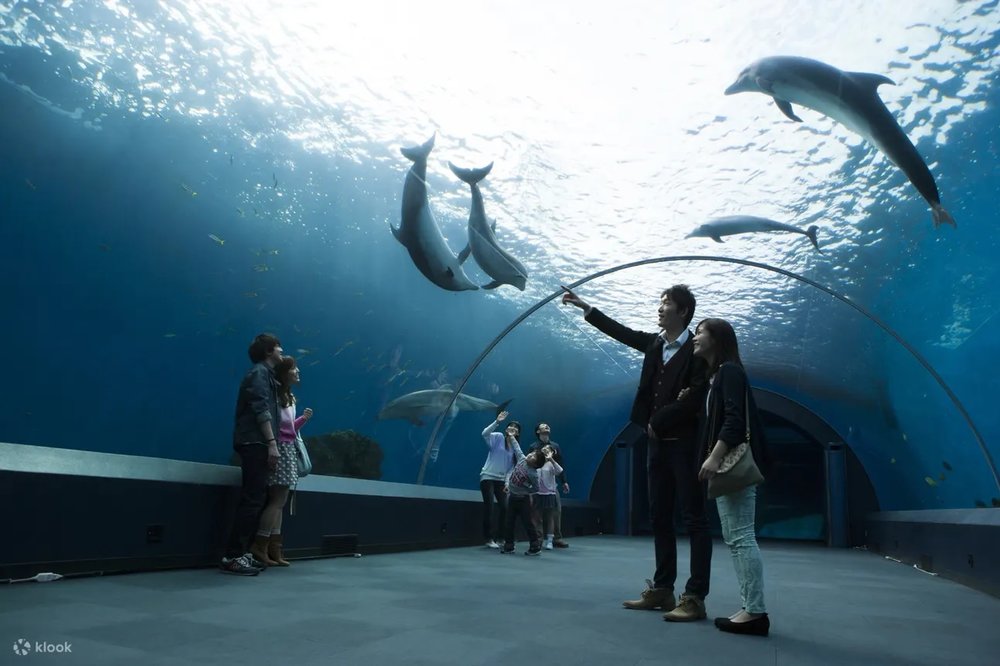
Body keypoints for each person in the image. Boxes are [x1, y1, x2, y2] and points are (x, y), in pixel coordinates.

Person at [562, 285, 711, 622]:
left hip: (685, 444)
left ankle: (695, 597)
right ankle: (663, 588)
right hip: (657, 447)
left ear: (683, 311)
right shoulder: (654, 343)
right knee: (660, 516)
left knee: (694, 518)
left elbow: (696, 396)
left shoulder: (698, 350)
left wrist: (658, 419)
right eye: (660, 302)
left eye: (666, 303)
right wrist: (587, 309)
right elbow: (621, 332)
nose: (660, 308)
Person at [692, 318, 770, 637]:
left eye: (701, 332)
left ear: (718, 338)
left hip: (731, 462)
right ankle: (750, 606)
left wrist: (714, 456)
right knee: (735, 538)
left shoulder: (730, 372)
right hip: (726, 464)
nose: (695, 337)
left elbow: (735, 420)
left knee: (741, 537)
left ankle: (755, 611)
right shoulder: (716, 376)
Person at [221, 333, 284, 575]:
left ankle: (243, 552)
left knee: (257, 498)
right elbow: (261, 410)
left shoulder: (267, 375)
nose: (281, 351)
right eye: (278, 347)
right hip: (255, 442)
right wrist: (272, 443)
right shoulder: (259, 374)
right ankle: (233, 556)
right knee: (252, 499)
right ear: (268, 351)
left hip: (258, 442)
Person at [254, 355, 314, 567]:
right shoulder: (275, 397)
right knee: (276, 501)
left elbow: (289, 429)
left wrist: (303, 420)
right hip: (280, 448)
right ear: (284, 372)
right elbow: (278, 427)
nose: (298, 372)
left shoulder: (290, 397)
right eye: (294, 368)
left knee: (281, 501)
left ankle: (274, 548)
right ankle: (260, 546)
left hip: (288, 448)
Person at [479, 411, 521, 549]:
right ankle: (489, 538)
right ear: (506, 428)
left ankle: (501, 537)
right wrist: (497, 422)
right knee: (489, 506)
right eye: (511, 426)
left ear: (518, 433)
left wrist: (507, 483)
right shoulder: (498, 437)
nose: (513, 428)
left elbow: (511, 469)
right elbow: (484, 433)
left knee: (505, 507)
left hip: (502, 480)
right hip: (488, 477)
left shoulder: (515, 448)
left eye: (516, 428)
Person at [501, 446, 548, 556]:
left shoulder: (533, 474)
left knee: (528, 523)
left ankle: (535, 546)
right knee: (509, 522)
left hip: (523, 500)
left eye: (533, 457)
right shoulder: (522, 458)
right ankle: (509, 545)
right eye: (531, 454)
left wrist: (525, 489)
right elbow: (517, 447)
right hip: (512, 497)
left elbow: (536, 488)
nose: (530, 455)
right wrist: (512, 437)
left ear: (536, 464)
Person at [529, 423, 570, 548]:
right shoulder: (533, 447)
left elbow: (560, 464)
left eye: (548, 426)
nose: (547, 427)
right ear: (538, 431)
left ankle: (556, 538)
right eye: (543, 426)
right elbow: (530, 464)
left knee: (556, 510)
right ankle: (539, 538)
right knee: (537, 513)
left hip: (551, 486)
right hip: (538, 486)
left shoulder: (555, 446)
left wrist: (564, 481)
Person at [534, 444, 564, 550]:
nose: (545, 450)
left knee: (550, 517)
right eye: (544, 449)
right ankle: (539, 539)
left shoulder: (551, 464)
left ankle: (550, 540)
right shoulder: (537, 463)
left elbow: (560, 471)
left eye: (548, 450)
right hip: (538, 493)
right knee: (538, 517)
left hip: (549, 494)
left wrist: (551, 459)